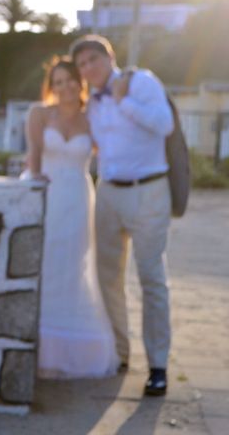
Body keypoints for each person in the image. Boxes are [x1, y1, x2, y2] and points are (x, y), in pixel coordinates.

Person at [70, 35, 173, 396]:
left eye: (92, 60)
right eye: (81, 64)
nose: (87, 69)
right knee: (106, 276)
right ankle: (120, 352)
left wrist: (123, 100)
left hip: (149, 191)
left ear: (109, 57)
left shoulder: (141, 82)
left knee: (151, 277)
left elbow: (165, 125)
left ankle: (158, 365)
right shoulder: (91, 104)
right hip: (109, 193)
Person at [25, 57, 119, 379]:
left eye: (70, 80)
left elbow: (112, 149)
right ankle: (36, 346)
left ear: (81, 83)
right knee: (45, 263)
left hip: (79, 199)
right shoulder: (39, 114)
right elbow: (33, 162)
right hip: (48, 196)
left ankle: (75, 350)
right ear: (52, 87)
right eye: (58, 81)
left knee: (74, 265)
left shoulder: (93, 118)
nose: (65, 87)